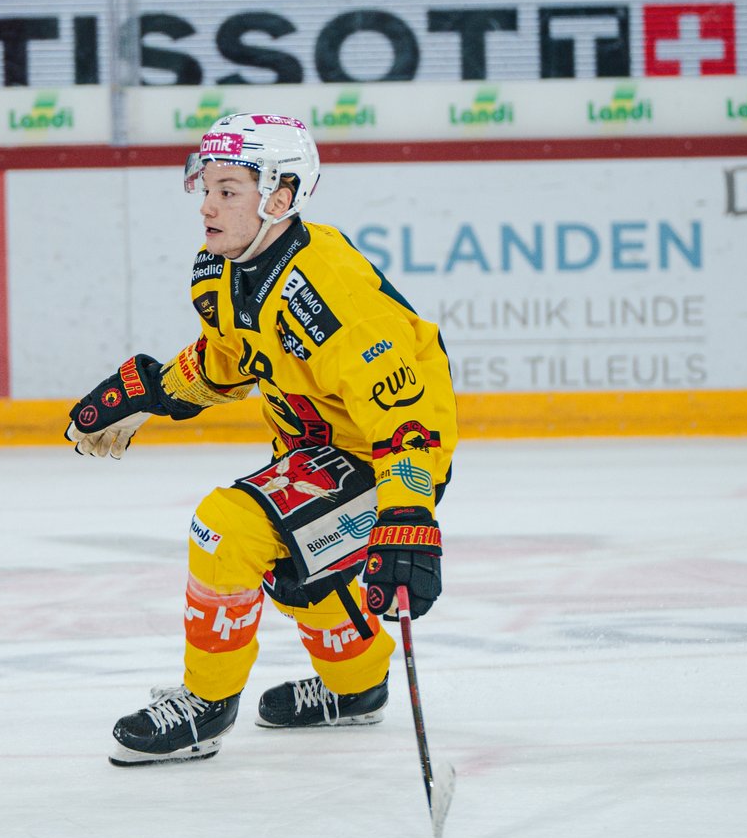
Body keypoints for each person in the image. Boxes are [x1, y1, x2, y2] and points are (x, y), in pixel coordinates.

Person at [66, 113, 458, 766]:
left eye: (228, 190)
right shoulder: (222, 270)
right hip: (316, 452)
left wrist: (409, 516)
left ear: (280, 198)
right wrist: (153, 391)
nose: (207, 206)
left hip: (387, 459)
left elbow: (404, 412)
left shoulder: (328, 288)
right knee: (299, 566)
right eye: (206, 188)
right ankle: (356, 687)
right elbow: (227, 362)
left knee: (228, 528)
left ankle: (206, 704)